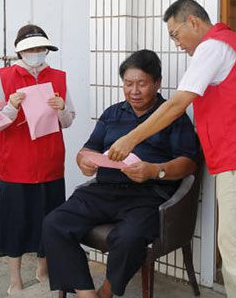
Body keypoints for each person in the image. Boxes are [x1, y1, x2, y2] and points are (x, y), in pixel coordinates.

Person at [108, 0, 236, 298]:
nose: (177, 44)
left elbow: (177, 104)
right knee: (234, 245)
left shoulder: (213, 47)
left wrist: (130, 139)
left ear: (192, 22)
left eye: (176, 34)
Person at [42, 50, 199, 298]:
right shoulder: (112, 114)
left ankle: (107, 291)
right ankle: (86, 294)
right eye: (128, 84)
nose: (134, 91)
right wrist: (83, 160)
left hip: (147, 195)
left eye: (141, 84)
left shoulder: (172, 116)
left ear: (157, 83)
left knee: (129, 238)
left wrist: (153, 171)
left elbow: (189, 164)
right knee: (54, 224)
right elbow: (88, 148)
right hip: (104, 190)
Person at [0, 24, 75, 295]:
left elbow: (68, 121)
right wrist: (11, 107)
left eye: (40, 48)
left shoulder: (58, 77)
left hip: (50, 162)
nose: (36, 53)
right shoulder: (4, 77)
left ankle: (43, 269)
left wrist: (61, 109)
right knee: (16, 223)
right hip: (16, 164)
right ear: (20, 52)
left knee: (49, 219)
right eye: (31, 49)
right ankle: (15, 278)